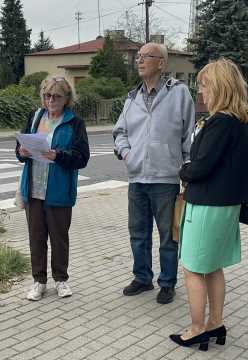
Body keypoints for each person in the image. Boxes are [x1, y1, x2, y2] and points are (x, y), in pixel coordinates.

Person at [169, 59, 248, 350]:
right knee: (213, 267)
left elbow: (201, 167)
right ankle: (216, 323)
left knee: (192, 269)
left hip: (207, 205)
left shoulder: (220, 123)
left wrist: (183, 170)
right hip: (227, 206)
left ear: (219, 86)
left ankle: (197, 328)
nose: (200, 92)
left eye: (203, 85)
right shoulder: (240, 122)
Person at [113, 43, 195, 304]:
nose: (139, 61)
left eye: (145, 57)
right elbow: (120, 133)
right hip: (137, 177)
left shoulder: (179, 93)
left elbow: (188, 136)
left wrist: (187, 169)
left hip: (166, 177)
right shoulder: (131, 97)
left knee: (167, 235)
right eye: (138, 57)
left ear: (161, 63)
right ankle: (142, 277)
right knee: (138, 232)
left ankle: (167, 282)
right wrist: (127, 154)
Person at [16, 76, 90, 301]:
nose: (51, 100)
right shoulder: (35, 117)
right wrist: (22, 152)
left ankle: (61, 280)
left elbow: (82, 157)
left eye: (56, 96)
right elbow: (20, 147)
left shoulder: (74, 122)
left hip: (58, 189)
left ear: (67, 98)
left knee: (59, 237)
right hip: (34, 188)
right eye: (47, 96)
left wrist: (58, 155)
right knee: (36, 237)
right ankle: (39, 281)